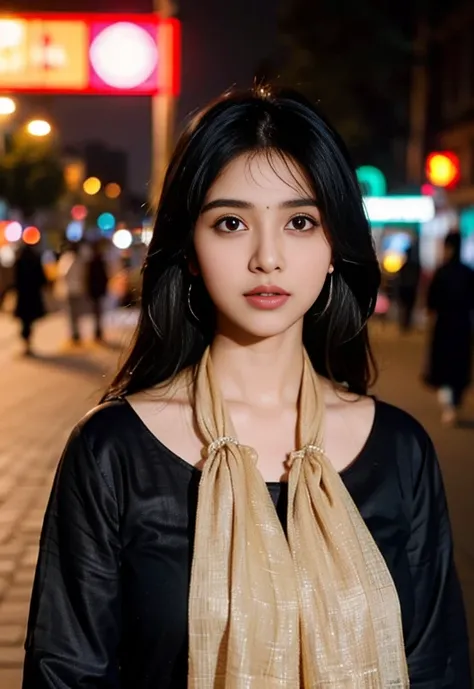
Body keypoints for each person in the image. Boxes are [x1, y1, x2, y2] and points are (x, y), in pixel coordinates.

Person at [22, 88, 471, 688]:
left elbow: (437, 666)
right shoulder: (113, 450)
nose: (268, 257)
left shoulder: (399, 448)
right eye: (231, 223)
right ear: (189, 250)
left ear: (334, 246)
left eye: (300, 221)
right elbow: (65, 674)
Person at [424, 231, 474, 425]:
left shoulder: (442, 272)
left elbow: (431, 302)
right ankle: (453, 402)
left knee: (444, 366)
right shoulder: (467, 273)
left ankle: (448, 405)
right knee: (458, 367)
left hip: (444, 326)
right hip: (462, 326)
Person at [13, 243, 47, 356]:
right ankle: (28, 342)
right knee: (29, 321)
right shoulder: (36, 258)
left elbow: (14, 280)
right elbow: (42, 278)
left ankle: (26, 343)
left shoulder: (19, 260)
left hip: (23, 296)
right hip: (33, 296)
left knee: (24, 321)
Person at [56, 243, 86, 344]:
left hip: (71, 289)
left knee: (72, 313)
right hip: (77, 289)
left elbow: (63, 273)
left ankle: (75, 334)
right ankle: (76, 333)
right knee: (76, 313)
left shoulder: (68, 259)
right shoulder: (79, 259)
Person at [86, 241, 109, 341]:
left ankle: (98, 332)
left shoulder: (91, 262)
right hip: (98, 290)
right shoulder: (100, 261)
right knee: (98, 312)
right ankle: (98, 332)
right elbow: (104, 277)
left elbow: (88, 278)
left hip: (94, 291)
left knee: (96, 312)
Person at [397, 243, 421, 333]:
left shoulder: (406, 266)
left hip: (406, 289)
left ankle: (405, 324)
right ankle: (406, 324)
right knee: (408, 308)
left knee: (406, 308)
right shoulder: (414, 266)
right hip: (410, 289)